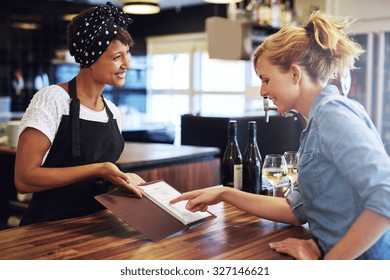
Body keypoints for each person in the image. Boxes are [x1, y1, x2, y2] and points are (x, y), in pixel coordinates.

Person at [171, 11, 390, 260]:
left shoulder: (333, 114)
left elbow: (385, 197)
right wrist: (224, 193)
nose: (263, 91)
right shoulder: (315, 122)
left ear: (295, 74)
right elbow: (296, 210)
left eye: (266, 80)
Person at [15, 2, 145, 226]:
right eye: (116, 57)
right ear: (90, 59)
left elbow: (94, 179)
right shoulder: (53, 99)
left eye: (127, 54)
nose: (127, 64)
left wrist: (121, 181)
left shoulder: (113, 112)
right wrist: (99, 169)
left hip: (96, 226)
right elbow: (24, 179)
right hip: (48, 229)